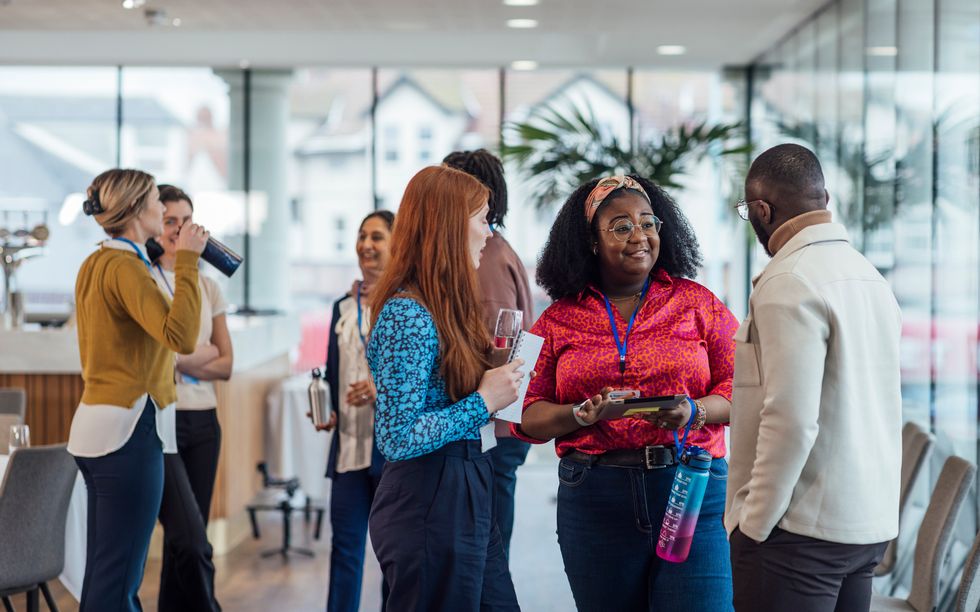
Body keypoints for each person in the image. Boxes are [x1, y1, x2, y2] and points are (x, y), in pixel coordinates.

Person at [513, 175, 738, 612]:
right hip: (596, 494)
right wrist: (581, 415)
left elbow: (744, 387)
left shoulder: (698, 303)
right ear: (591, 242)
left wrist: (694, 411)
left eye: (647, 223)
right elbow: (523, 412)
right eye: (620, 226)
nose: (639, 236)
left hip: (690, 484)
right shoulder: (557, 319)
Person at [726, 144, 902, 612]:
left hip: (798, 532)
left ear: (763, 211)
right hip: (864, 526)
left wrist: (753, 521)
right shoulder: (868, 276)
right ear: (823, 198)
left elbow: (790, 419)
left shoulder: (791, 280)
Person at [367, 165, 523, 611]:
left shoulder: (444, 308)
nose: (489, 235)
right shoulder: (407, 316)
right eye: (482, 219)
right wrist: (483, 401)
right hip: (428, 498)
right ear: (450, 228)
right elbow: (398, 437)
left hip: (464, 485)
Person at [67, 169, 208, 612]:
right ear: (132, 211)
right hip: (127, 431)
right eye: (153, 200)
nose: (162, 209)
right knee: (120, 579)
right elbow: (182, 336)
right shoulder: (127, 268)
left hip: (95, 428)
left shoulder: (96, 262)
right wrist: (187, 261)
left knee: (105, 574)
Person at [443, 149, 533, 557]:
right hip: (489, 423)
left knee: (484, 558)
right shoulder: (491, 251)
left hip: (490, 429)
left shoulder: (485, 259)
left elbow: (495, 350)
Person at [151, 185, 232, 612]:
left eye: (186, 222)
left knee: (187, 539)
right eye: (169, 221)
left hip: (204, 422)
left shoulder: (207, 285)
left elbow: (226, 364)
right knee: (191, 540)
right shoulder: (147, 279)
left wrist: (180, 359)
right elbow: (156, 356)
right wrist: (195, 356)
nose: (178, 231)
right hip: (163, 422)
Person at [317, 210, 394, 612]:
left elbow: (423, 373)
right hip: (348, 444)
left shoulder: (406, 306)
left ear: (397, 245)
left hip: (390, 447)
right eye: (362, 235)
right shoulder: (342, 307)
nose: (367, 244)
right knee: (344, 550)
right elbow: (334, 370)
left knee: (391, 557)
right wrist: (328, 407)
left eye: (377, 237)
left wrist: (380, 389)